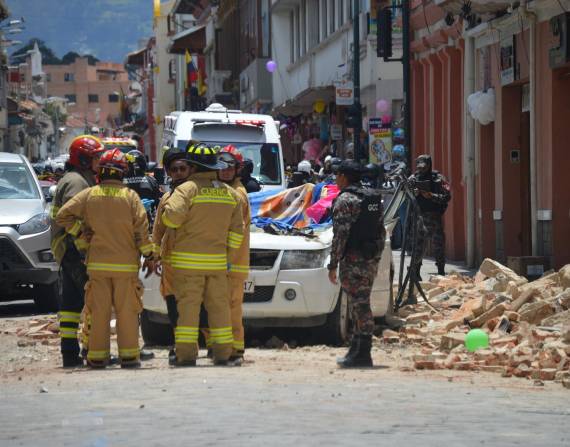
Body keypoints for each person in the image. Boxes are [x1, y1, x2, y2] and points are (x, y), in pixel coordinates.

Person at [56, 149, 156, 369]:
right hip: (125, 267)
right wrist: (150, 255)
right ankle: (129, 357)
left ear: (100, 171)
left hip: (97, 266)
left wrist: (80, 232)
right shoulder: (131, 197)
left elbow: (62, 215)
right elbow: (141, 233)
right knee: (127, 312)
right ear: (123, 172)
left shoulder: (89, 194)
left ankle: (97, 357)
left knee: (99, 312)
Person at [161, 143, 244, 367]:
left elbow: (171, 219)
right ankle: (223, 354)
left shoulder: (186, 189)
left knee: (188, 310)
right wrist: (226, 256)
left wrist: (168, 216)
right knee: (220, 309)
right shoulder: (230, 193)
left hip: (187, 265)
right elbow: (238, 232)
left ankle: (186, 355)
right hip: (217, 265)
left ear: (192, 167)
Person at [50, 135, 105, 368]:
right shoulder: (77, 183)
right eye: (96, 157)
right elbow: (70, 216)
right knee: (94, 300)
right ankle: (92, 350)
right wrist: (84, 238)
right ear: (83, 159)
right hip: (76, 251)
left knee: (71, 305)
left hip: (68, 250)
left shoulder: (76, 178)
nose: (100, 162)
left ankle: (69, 352)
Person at [327, 160, 386, 368]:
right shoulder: (371, 198)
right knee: (359, 303)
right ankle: (357, 349)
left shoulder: (345, 200)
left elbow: (340, 236)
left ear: (344, 177)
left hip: (353, 261)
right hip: (369, 259)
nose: (336, 179)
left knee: (359, 305)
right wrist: (375, 258)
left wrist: (333, 264)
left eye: (337, 175)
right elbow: (381, 231)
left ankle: (363, 353)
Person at [152, 147, 192, 363]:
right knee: (173, 305)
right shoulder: (166, 198)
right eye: (174, 169)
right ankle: (180, 345)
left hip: (194, 261)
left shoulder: (196, 195)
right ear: (168, 172)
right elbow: (158, 230)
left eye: (182, 168)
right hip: (171, 263)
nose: (178, 173)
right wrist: (153, 255)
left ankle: (210, 345)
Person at [217, 145, 251, 361]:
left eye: (230, 166)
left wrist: (226, 259)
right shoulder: (225, 190)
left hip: (232, 262)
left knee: (231, 308)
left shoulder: (237, 194)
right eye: (221, 165)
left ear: (238, 169)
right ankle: (226, 347)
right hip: (226, 261)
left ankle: (235, 349)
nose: (225, 170)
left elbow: (235, 231)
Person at [409, 154, 451, 276]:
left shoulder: (438, 178)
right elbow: (405, 196)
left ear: (429, 165)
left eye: (424, 167)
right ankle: (416, 273)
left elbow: (447, 197)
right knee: (418, 245)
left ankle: (441, 271)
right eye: (419, 167)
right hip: (418, 217)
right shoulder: (413, 178)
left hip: (434, 216)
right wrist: (413, 193)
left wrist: (431, 195)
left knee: (438, 245)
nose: (421, 170)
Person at [123, 149, 162, 221]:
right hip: (146, 221)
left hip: (124, 220)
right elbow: (159, 202)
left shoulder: (120, 181)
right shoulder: (151, 180)